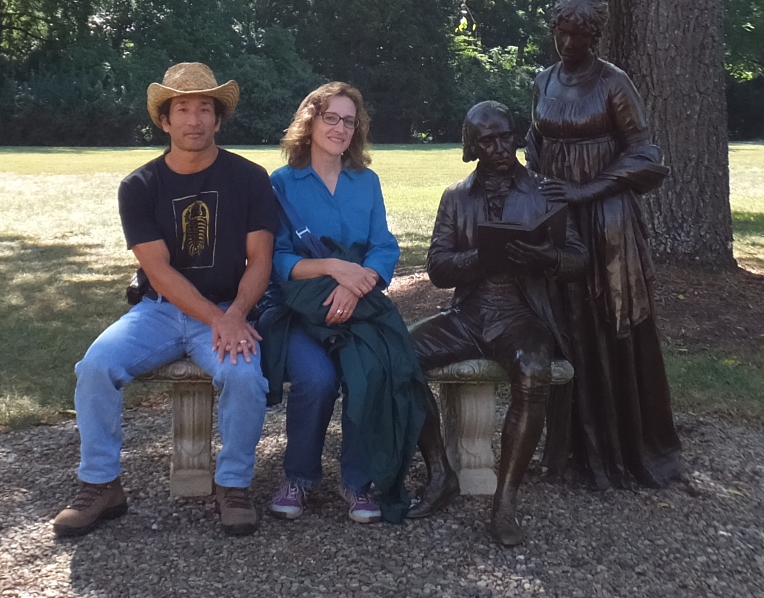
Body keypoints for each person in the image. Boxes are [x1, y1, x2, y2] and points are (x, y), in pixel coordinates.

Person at [53, 62, 279, 537]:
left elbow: (260, 260)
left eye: (204, 109)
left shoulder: (250, 178)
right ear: (165, 120)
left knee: (245, 378)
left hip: (227, 310)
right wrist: (220, 317)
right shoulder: (139, 186)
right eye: (182, 108)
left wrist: (235, 314)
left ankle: (233, 485)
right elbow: (157, 269)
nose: (193, 119)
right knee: (95, 367)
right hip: (157, 311)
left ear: (218, 120)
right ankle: (101, 484)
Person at [407, 100, 588, 546]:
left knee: (533, 371)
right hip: (468, 314)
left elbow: (579, 260)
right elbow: (438, 267)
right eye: (487, 141)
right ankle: (439, 473)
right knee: (396, 355)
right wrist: (480, 259)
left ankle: (504, 501)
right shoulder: (455, 197)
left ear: (518, 136)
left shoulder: (545, 191)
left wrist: (548, 258)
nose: (500, 147)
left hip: (522, 314)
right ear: (472, 148)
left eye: (506, 136)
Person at [526, 0, 682, 490]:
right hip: (558, 220)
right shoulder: (544, 80)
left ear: (594, 37)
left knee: (607, 324)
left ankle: (622, 448)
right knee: (564, 324)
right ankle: (570, 447)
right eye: (562, 33)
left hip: (607, 222)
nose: (569, 44)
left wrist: (588, 189)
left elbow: (644, 153)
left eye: (579, 35)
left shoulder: (614, 83)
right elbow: (535, 144)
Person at [260, 82, 425, 525]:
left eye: (348, 121)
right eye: (330, 117)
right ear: (310, 121)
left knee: (368, 374)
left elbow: (384, 247)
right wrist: (334, 268)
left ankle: (357, 482)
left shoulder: (365, 182)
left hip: (358, 305)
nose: (339, 128)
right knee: (316, 380)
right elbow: (276, 259)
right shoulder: (282, 184)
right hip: (300, 311)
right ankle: (298, 477)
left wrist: (353, 285)